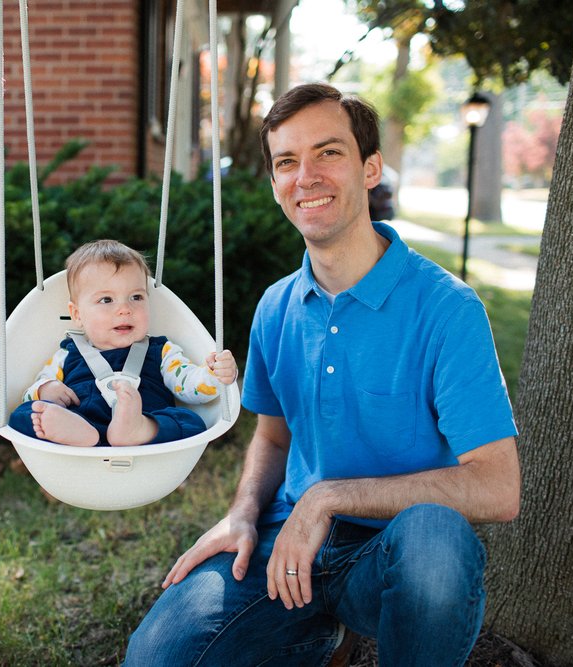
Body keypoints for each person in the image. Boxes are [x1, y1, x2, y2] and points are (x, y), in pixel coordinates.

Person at [124, 83, 521, 666]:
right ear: (276, 185)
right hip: (288, 543)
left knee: (439, 541)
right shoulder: (275, 306)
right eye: (287, 162)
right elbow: (273, 435)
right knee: (156, 657)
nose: (305, 176)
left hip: (392, 554)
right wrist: (241, 514)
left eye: (328, 153)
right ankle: (315, 639)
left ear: (370, 169)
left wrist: (330, 498)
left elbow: (497, 486)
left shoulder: (447, 309)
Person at [8, 240, 237, 447]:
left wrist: (213, 375)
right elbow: (31, 393)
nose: (125, 309)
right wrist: (46, 389)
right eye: (106, 300)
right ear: (77, 314)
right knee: (24, 414)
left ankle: (135, 429)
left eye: (136, 297)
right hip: (82, 422)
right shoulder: (67, 355)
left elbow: (189, 387)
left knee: (192, 422)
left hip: (146, 430)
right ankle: (78, 432)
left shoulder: (161, 351)